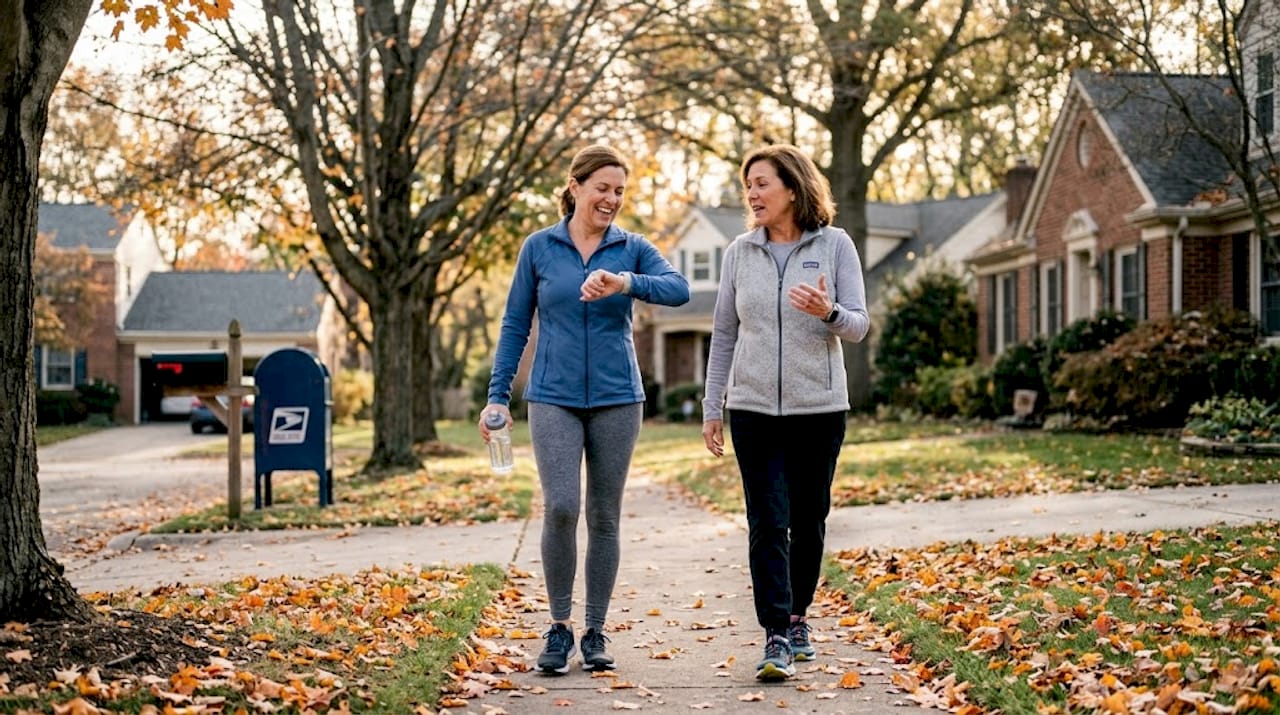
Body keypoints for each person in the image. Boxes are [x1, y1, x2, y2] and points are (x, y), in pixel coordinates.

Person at [480, 145, 690, 675]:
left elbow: (680, 290)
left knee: (604, 514)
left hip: (620, 397)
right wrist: (496, 395)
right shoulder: (539, 248)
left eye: (620, 191)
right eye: (603, 188)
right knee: (562, 507)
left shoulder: (632, 247)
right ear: (574, 187)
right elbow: (514, 325)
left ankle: (595, 630)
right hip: (553, 396)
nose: (612, 200)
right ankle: (558, 627)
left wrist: (626, 282)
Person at [700, 144, 870, 681]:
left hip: (818, 407)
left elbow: (860, 324)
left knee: (808, 519)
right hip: (751, 408)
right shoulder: (738, 253)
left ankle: (799, 617)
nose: (751, 194)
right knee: (766, 521)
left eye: (761, 183)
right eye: (747, 184)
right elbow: (724, 331)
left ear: (792, 189)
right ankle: (775, 633)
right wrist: (713, 406)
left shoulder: (835, 245)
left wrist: (830, 311)